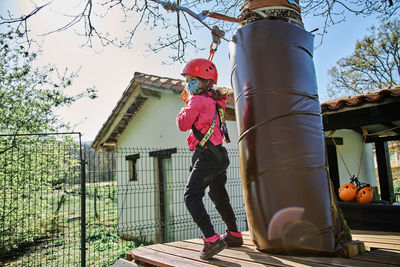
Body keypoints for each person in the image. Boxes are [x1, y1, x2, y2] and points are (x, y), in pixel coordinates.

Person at [176, 58, 243, 260]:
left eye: (193, 81)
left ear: (206, 82)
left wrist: (186, 103)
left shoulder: (196, 101)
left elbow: (182, 124)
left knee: (191, 196)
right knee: (218, 195)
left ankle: (211, 240)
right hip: (220, 155)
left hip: (207, 156)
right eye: (188, 81)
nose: (189, 84)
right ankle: (234, 234)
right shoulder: (215, 100)